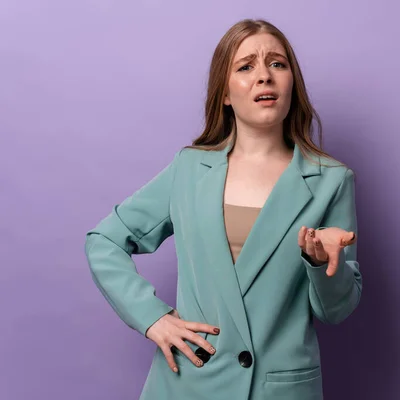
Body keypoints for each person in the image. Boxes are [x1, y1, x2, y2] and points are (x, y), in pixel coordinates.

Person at [84, 18, 362, 400]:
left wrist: (321, 263)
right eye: (246, 66)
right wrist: (152, 318)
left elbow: (337, 310)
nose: (264, 76)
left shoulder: (332, 180)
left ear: (291, 83)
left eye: (277, 64)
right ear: (225, 93)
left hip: (278, 390)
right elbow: (105, 240)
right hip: (189, 384)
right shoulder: (188, 169)